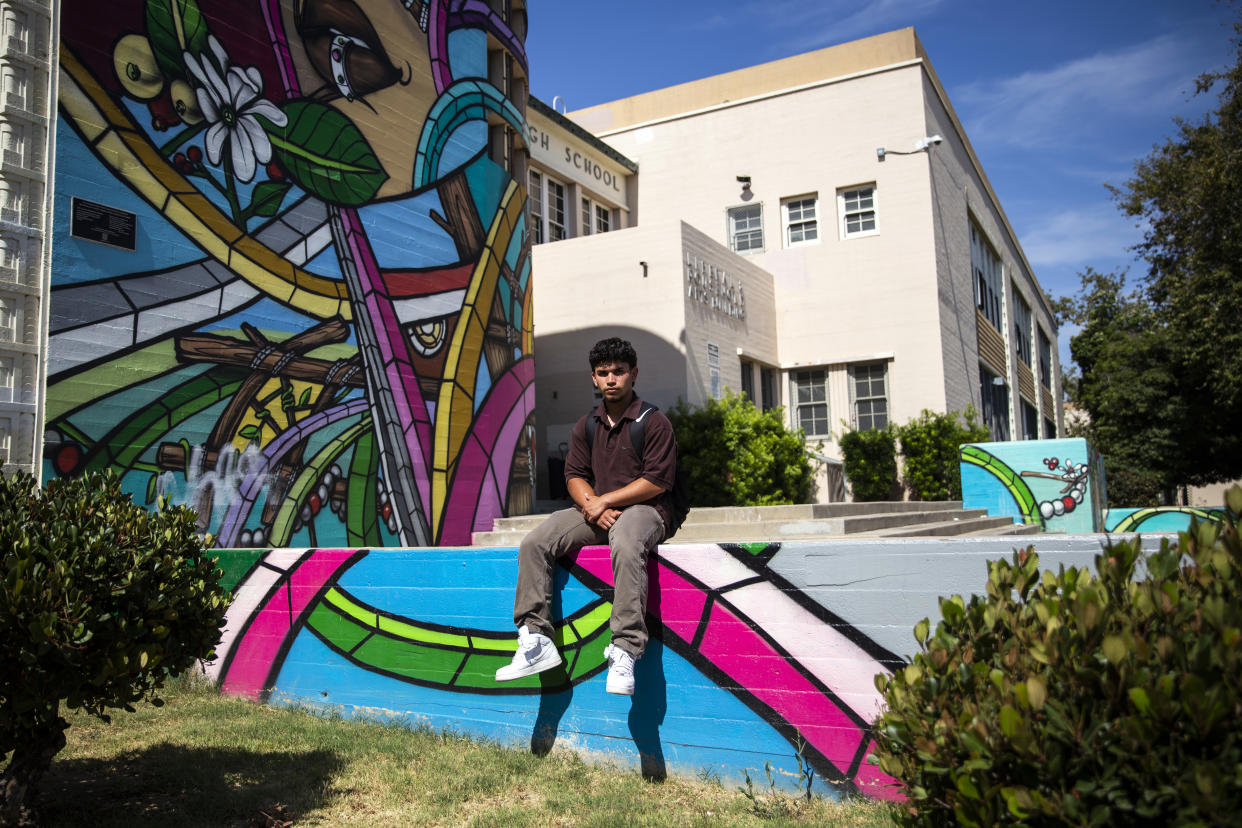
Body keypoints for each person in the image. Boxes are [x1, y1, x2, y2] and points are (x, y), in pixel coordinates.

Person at [495, 337, 676, 695]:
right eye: (603, 373)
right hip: (600, 511)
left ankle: (625, 649)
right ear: (593, 378)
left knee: (626, 539)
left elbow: (655, 482)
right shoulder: (586, 426)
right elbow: (574, 475)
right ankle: (536, 640)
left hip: (649, 511)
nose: (611, 379)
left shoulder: (653, 422)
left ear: (633, 374)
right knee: (535, 541)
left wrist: (603, 501)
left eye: (619, 372)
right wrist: (593, 504)